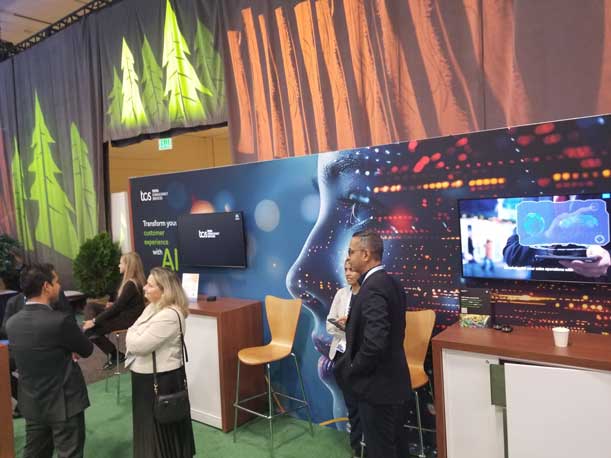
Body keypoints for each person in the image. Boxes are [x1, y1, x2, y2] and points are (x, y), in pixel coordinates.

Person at [335, 229, 411, 458]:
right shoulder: (391, 282)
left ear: (366, 254)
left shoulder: (373, 287)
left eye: (351, 252)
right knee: (395, 444)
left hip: (376, 387)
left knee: (381, 449)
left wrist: (353, 368)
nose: (348, 257)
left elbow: (375, 342)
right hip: (392, 381)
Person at [6, 264, 93, 458]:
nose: (59, 286)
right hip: (65, 403)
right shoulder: (60, 321)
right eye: (56, 282)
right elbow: (87, 349)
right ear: (46, 286)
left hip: (32, 403)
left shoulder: (12, 324)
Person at [125, 267, 195, 458]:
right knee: (148, 430)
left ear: (165, 290)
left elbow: (137, 344)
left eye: (150, 285)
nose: (144, 288)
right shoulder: (152, 307)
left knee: (162, 433)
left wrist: (132, 334)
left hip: (161, 380)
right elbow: (133, 332)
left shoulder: (170, 315)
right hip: (147, 378)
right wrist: (133, 334)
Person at [82, 252, 146, 369]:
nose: (118, 265)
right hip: (123, 312)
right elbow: (122, 304)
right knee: (90, 306)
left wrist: (95, 321)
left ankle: (116, 355)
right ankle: (90, 326)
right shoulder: (133, 282)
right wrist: (112, 305)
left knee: (91, 331)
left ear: (128, 266)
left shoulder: (131, 284)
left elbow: (117, 308)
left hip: (127, 319)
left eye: (121, 263)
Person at [326, 259, 362, 456]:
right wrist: (345, 328)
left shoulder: (367, 296)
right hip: (341, 353)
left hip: (360, 355)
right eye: (346, 269)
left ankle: (362, 443)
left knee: (361, 403)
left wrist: (350, 326)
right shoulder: (341, 294)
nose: (348, 273)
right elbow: (329, 325)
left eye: (352, 269)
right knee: (351, 402)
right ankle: (357, 444)